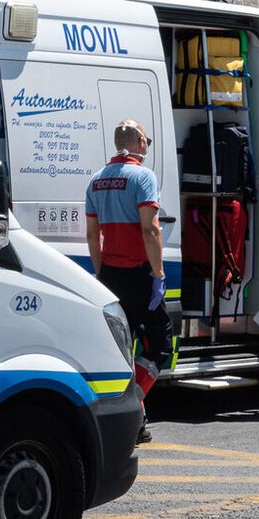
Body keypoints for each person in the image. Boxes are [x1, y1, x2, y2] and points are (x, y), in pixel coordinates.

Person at [85, 118, 170, 442]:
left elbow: (93, 236)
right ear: (136, 142)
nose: (147, 145)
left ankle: (137, 422)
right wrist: (158, 275)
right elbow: (150, 229)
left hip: (110, 274)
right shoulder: (143, 176)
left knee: (124, 346)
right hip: (139, 273)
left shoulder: (96, 180)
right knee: (160, 344)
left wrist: (100, 274)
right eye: (145, 139)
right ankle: (132, 407)